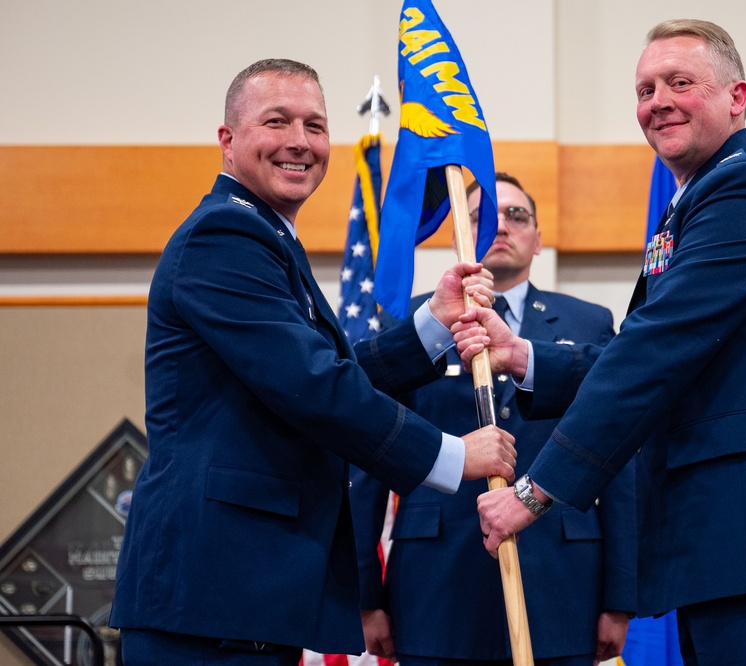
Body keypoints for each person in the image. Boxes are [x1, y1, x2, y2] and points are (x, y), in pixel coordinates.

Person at [467, 20, 746, 665]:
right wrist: (524, 356)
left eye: (680, 83)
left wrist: (533, 491)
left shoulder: (745, 190)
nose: (656, 100)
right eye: (644, 89)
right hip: (727, 546)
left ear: (737, 98)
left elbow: (655, 352)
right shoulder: (699, 199)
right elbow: (655, 348)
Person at [109, 59, 517, 665]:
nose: (300, 142)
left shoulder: (269, 239)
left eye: (315, 125)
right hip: (209, 597)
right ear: (227, 141)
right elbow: (313, 387)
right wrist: (453, 457)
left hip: (246, 596)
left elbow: (326, 369)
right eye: (277, 121)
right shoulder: (225, 236)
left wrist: (434, 322)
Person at [349, 173, 637, 666]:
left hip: (562, 585)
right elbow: (371, 453)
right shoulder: (414, 322)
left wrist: (619, 597)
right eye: (482, 218)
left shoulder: (588, 323)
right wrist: (365, 595)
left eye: (516, 215)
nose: (500, 226)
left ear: (539, 238)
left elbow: (618, 456)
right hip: (435, 589)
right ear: (462, 234)